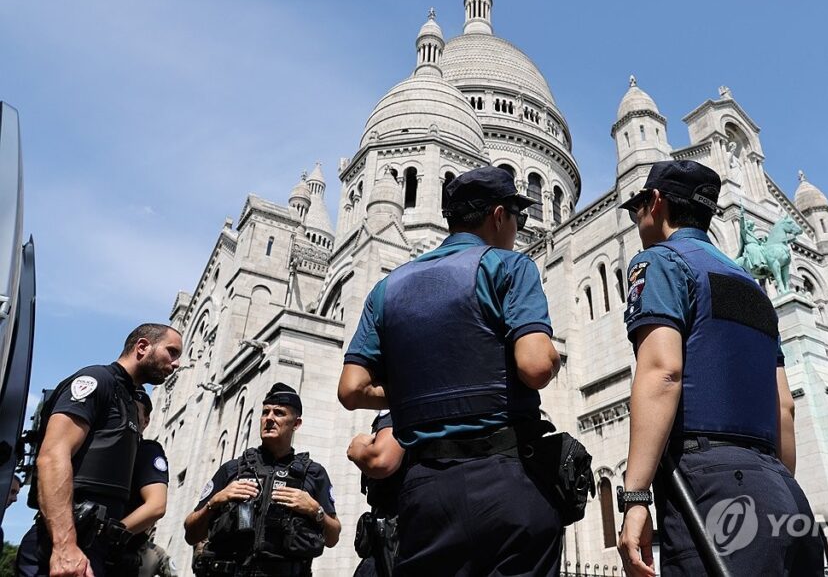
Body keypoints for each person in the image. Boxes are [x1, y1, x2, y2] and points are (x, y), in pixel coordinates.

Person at [339, 165, 564, 577]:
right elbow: (534, 366)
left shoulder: (388, 288)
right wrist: (551, 358)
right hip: (507, 478)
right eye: (518, 216)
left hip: (425, 491)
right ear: (499, 215)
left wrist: (422, 385)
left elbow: (352, 389)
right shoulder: (510, 267)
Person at [615, 160, 822, 577]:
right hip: (784, 490)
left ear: (656, 202)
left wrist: (635, 498)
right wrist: (777, 487)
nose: (637, 217)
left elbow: (663, 372)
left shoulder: (661, 262)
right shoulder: (752, 288)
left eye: (638, 206)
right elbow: (784, 406)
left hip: (711, 486)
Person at [17, 323, 182, 577]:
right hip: (65, 545)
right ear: (142, 347)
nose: (176, 363)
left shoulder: (129, 401)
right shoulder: (97, 381)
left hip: (94, 548)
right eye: (171, 352)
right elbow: (52, 457)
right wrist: (65, 546)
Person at [184, 383, 340, 577]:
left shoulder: (313, 473)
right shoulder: (233, 469)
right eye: (265, 412)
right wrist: (214, 502)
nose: (269, 418)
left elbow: (333, 537)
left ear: (296, 424)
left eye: (279, 413)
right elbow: (191, 534)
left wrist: (315, 510)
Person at [108, 391, 177, 577]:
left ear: (145, 422)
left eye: (133, 409)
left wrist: (106, 535)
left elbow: (156, 506)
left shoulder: (147, 451)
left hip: (117, 553)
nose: (126, 413)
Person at [348, 410, 405, 577]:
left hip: (395, 531)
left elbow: (379, 460)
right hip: (384, 532)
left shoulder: (397, 409)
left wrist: (358, 446)